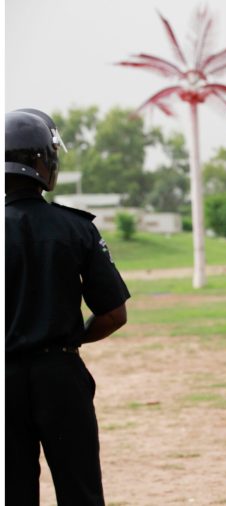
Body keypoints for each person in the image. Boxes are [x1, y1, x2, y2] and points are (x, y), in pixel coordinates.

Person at [5, 109, 131, 505]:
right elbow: (113, 314)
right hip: (59, 375)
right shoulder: (76, 228)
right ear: (46, 161)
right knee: (80, 491)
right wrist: (69, 336)